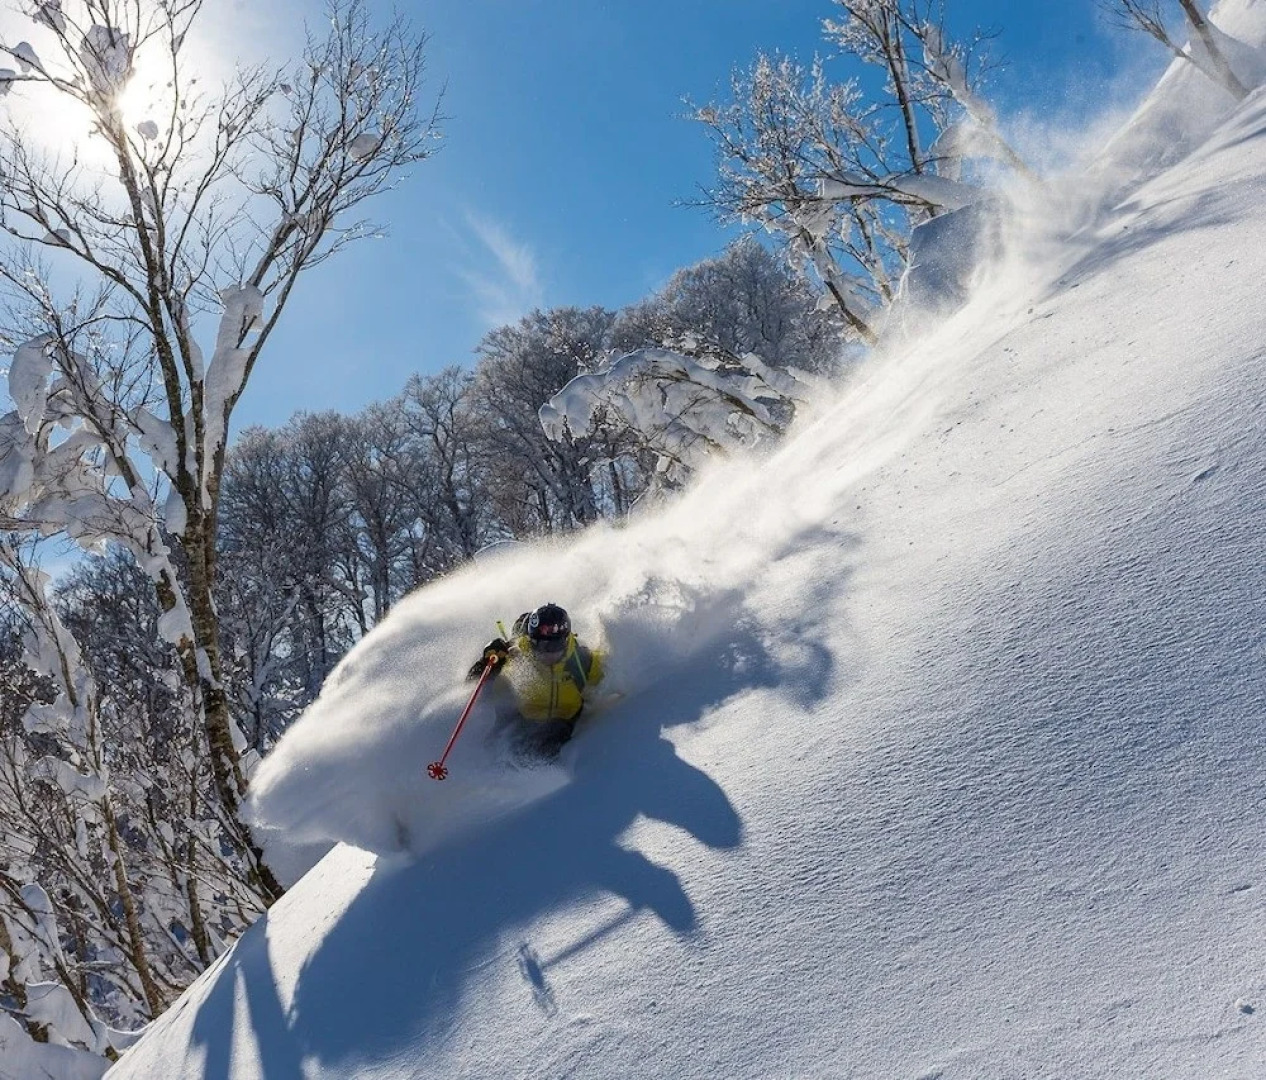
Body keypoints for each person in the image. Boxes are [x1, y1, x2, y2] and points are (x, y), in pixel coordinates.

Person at [467, 602, 605, 760]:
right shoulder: (516, 658)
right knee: (500, 747)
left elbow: (613, 677)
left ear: (567, 639)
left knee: (555, 731)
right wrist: (487, 664)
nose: (550, 653)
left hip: (565, 728)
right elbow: (474, 688)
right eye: (542, 645)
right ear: (531, 641)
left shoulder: (583, 662)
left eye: (557, 644)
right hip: (519, 725)